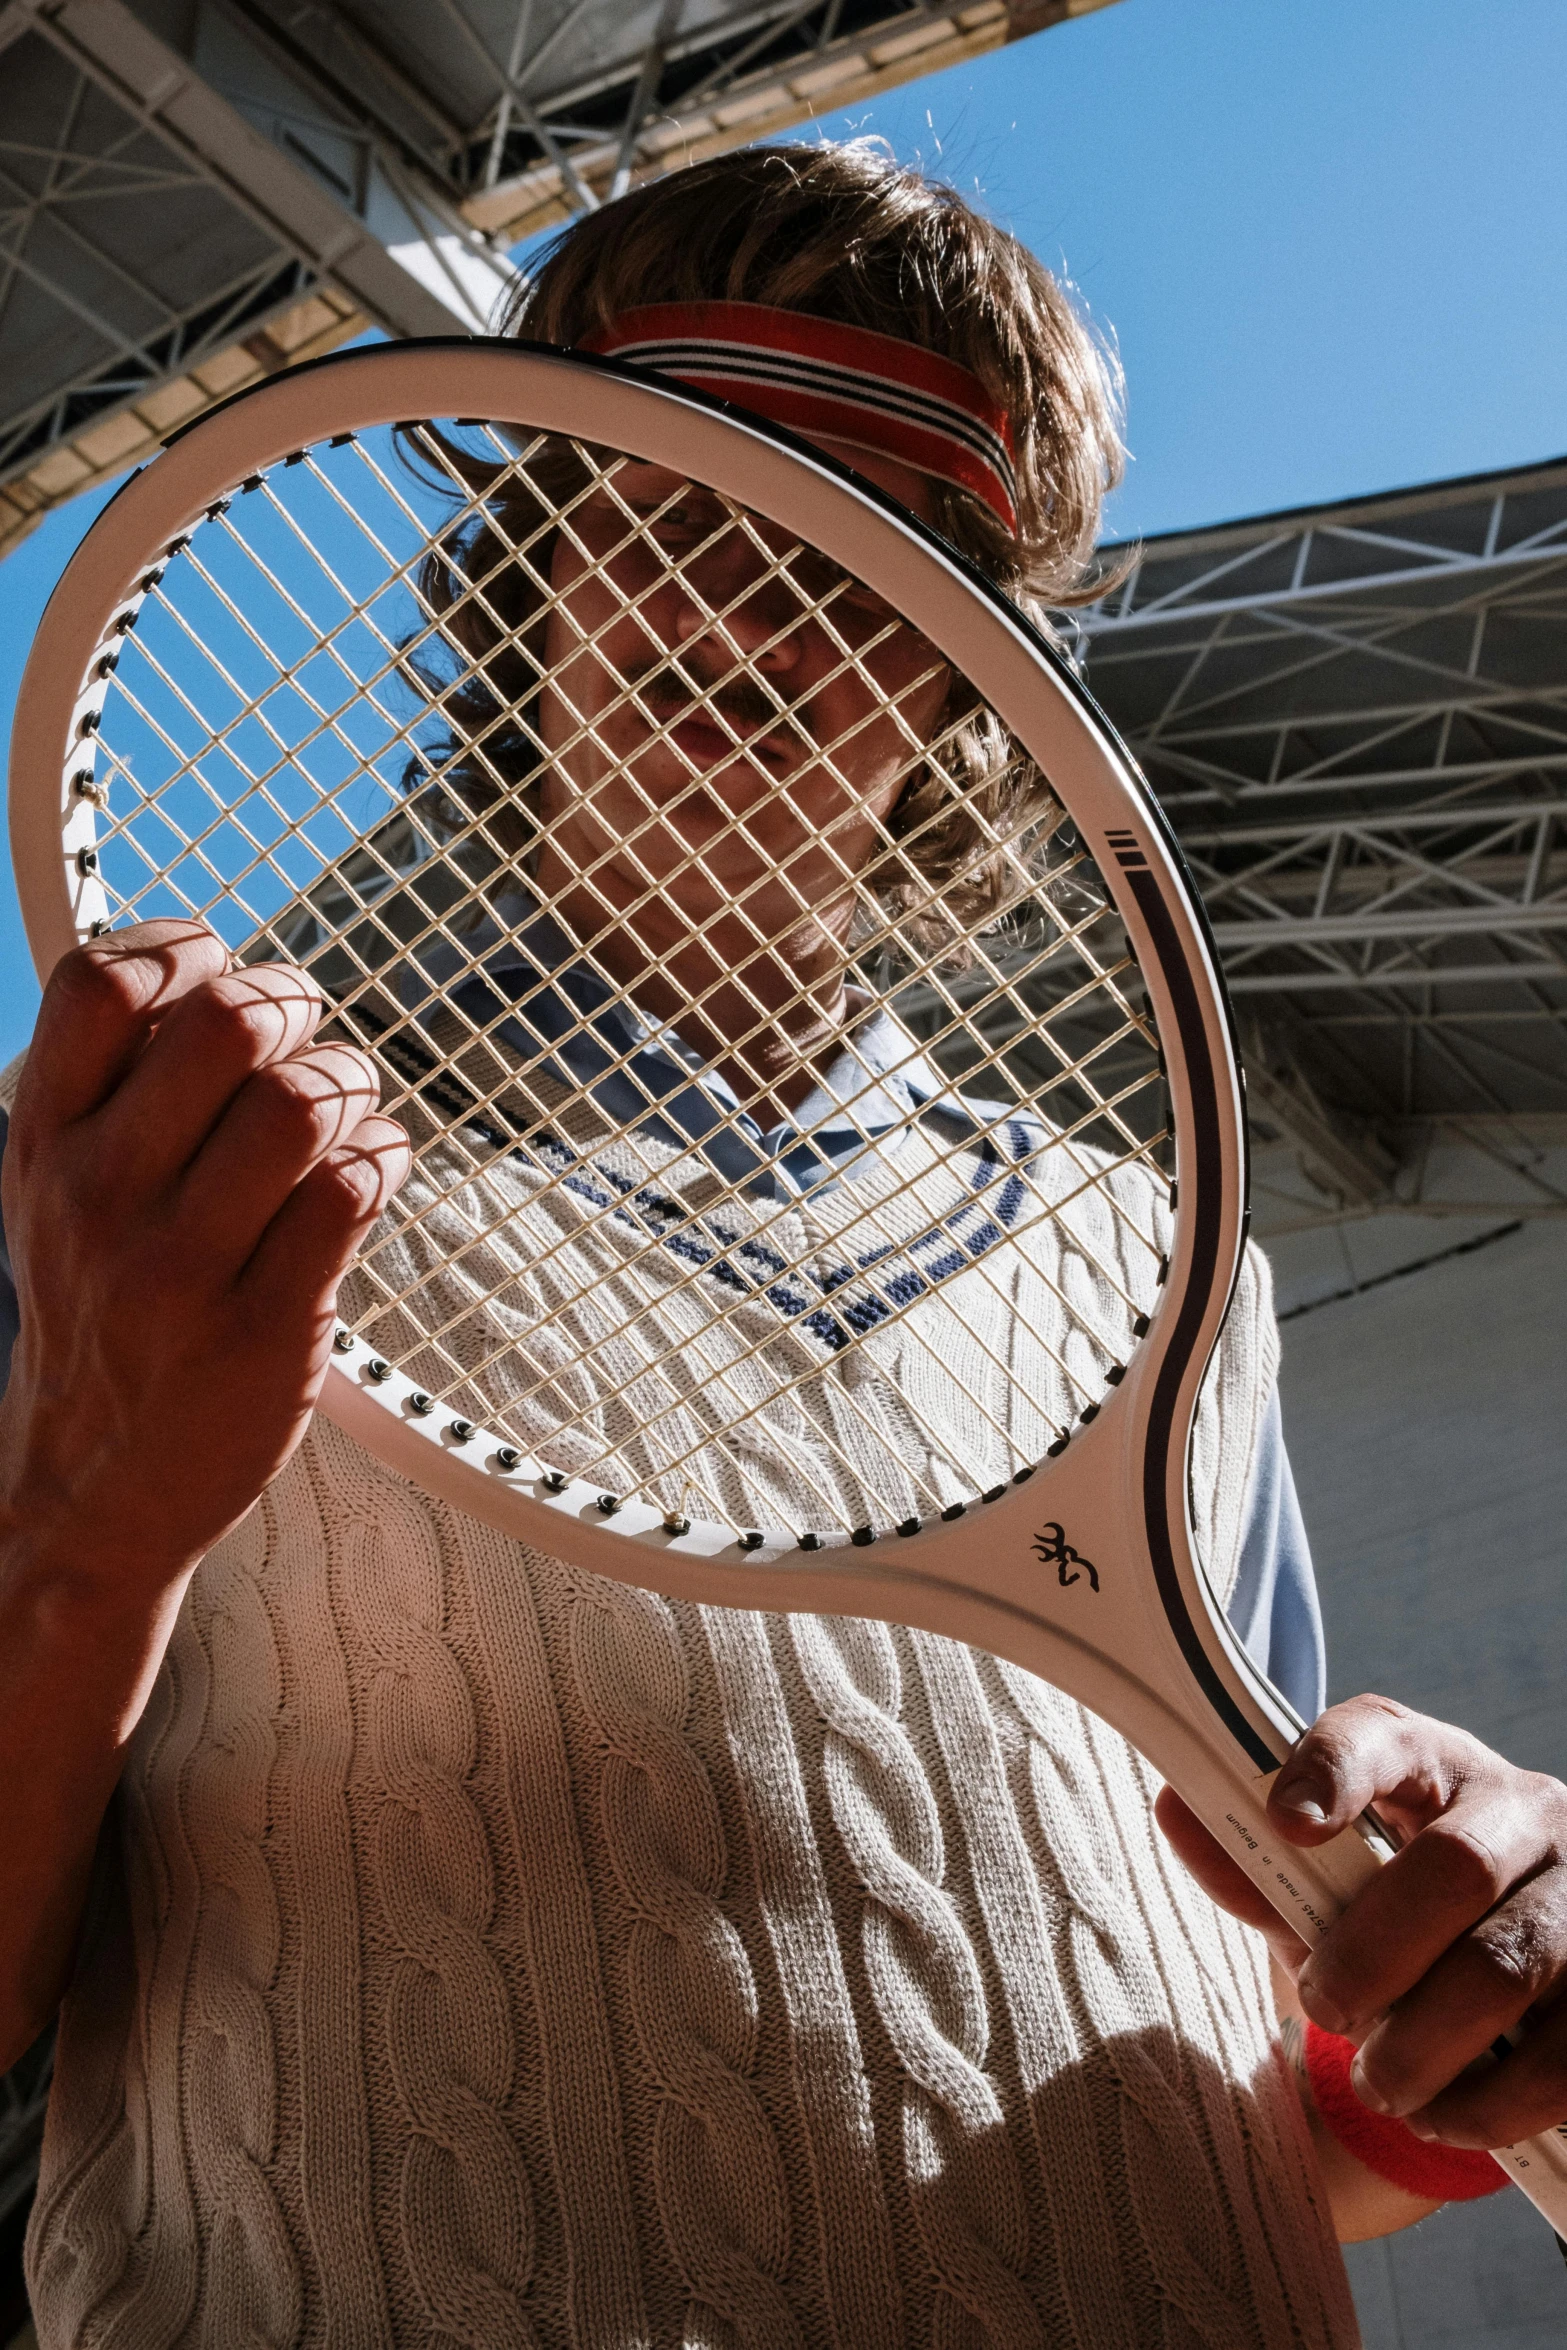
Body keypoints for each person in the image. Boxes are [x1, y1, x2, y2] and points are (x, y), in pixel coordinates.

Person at [1, 141, 1564, 2348]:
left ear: (970, 685)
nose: (756, 599)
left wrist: (1463, 2024)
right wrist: (79, 1527)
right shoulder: (144, 1180)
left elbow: (1249, 2085)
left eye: (873, 549)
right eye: (685, 478)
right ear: (533, 552)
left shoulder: (1166, 1257)